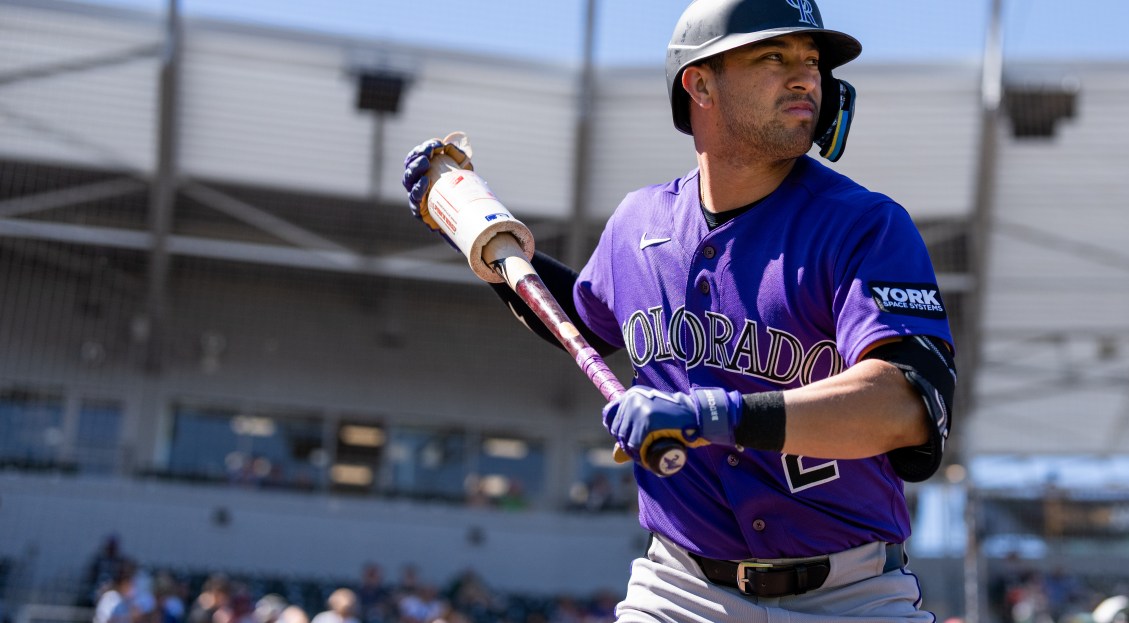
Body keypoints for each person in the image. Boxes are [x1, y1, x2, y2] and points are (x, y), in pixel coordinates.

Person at [403, 0, 956, 621]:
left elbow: (906, 406)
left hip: (850, 595)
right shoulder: (639, 222)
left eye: (812, 60)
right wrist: (485, 238)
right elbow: (581, 325)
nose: (805, 76)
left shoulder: (866, 224)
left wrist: (715, 414)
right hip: (680, 589)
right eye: (774, 56)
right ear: (699, 83)